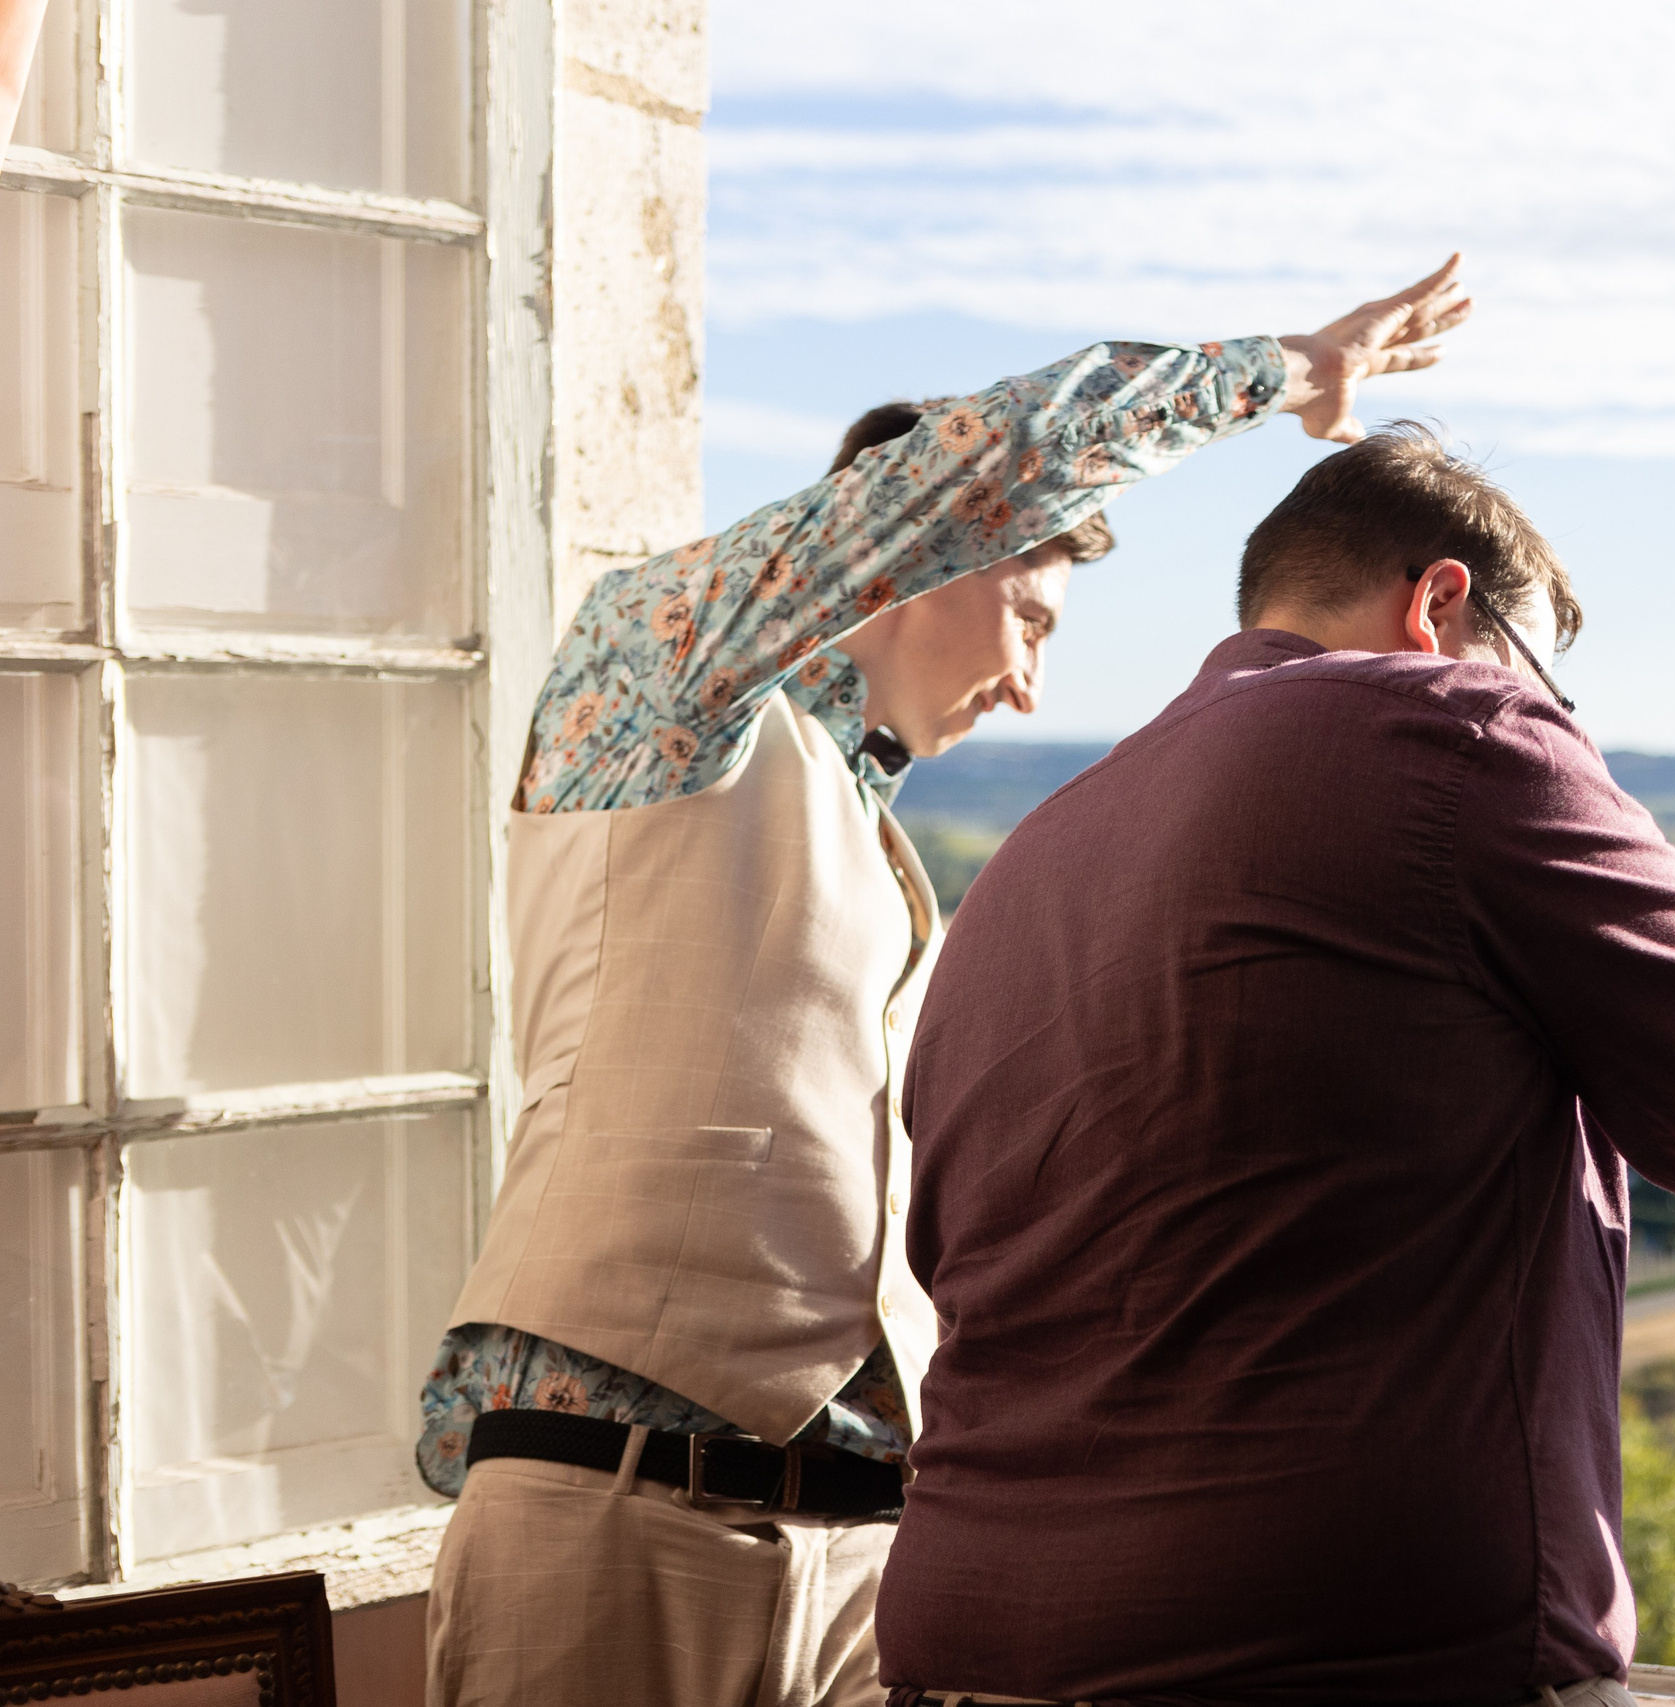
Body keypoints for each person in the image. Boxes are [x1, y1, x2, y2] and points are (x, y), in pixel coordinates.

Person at [883, 425, 1675, 1707]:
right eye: (1553, 684)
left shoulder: (1024, 865)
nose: (1558, 722)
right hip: (1333, 1652)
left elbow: (948, 1255)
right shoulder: (1452, 734)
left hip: (963, 1643)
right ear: (1442, 601)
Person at [414, 259, 1476, 1707]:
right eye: (1034, 618)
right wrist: (1285, 369)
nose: (1032, 686)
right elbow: (991, 465)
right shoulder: (660, 688)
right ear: (933, 553)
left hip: (866, 1562)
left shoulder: (880, 845)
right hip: (617, 1516)